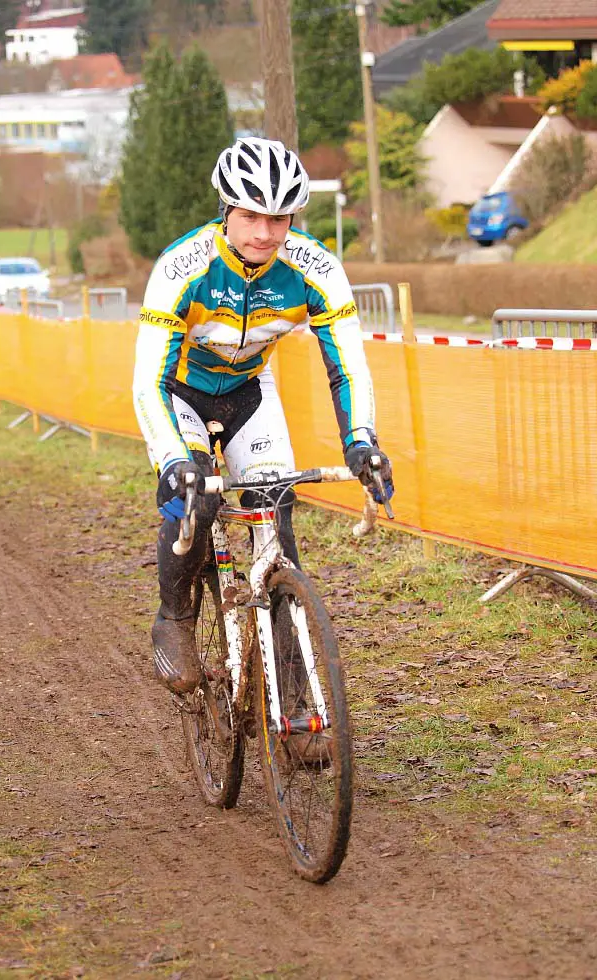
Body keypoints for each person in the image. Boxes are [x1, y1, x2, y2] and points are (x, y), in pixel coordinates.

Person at [132, 137, 393, 695]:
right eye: (250, 216)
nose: (264, 233)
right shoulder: (183, 266)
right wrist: (175, 460)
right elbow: (147, 381)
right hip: (179, 392)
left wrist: (362, 440)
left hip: (250, 391)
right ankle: (174, 618)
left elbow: (347, 365)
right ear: (226, 210)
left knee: (276, 517)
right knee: (195, 501)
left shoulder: (314, 266)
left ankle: (295, 694)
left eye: (279, 219)